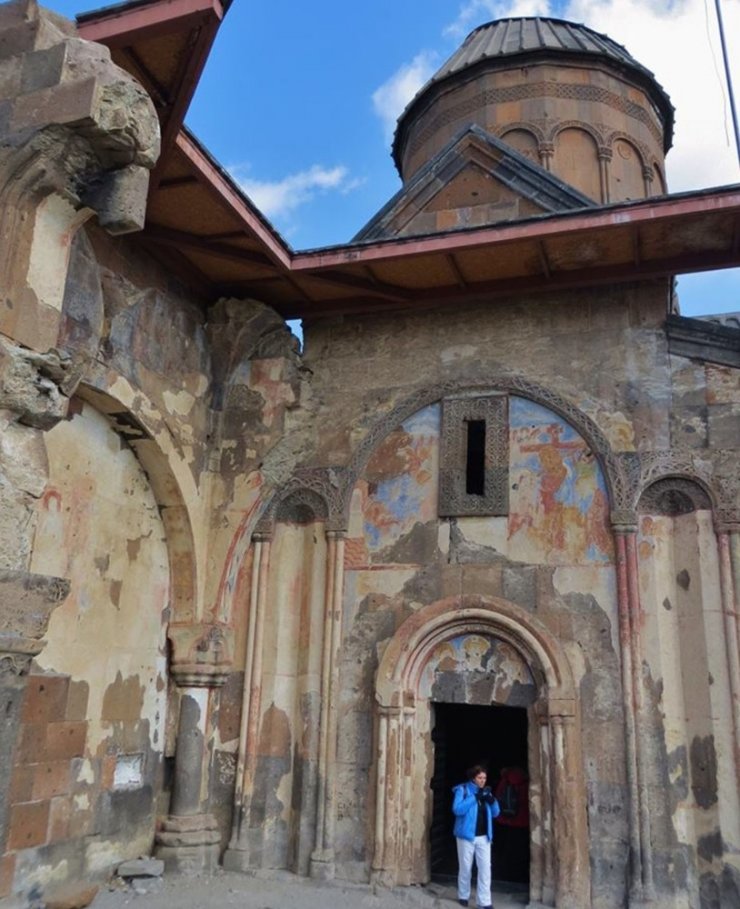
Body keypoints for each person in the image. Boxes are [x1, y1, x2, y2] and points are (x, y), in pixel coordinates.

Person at [452, 765, 500, 908]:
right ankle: (463, 895)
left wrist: (492, 800)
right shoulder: (463, 790)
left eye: (484, 778)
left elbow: (496, 813)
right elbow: (457, 809)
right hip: (466, 836)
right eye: (479, 778)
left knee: (485, 869)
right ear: (473, 777)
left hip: (484, 837)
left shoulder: (486, 793)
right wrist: (474, 797)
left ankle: (484, 901)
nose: (482, 781)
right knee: (466, 867)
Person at [494, 766, 530, 883]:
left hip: (504, 821)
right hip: (521, 822)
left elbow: (498, 797)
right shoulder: (525, 782)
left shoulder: (505, 781)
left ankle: (503, 874)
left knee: (504, 849)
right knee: (520, 850)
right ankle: (519, 876)